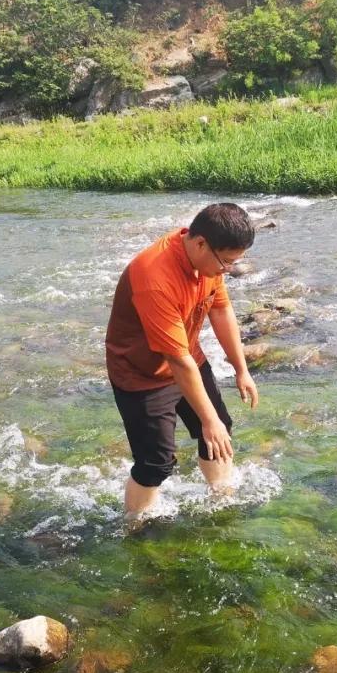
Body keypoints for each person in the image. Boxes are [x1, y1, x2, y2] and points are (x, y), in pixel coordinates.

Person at [105, 202, 259, 519]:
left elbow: (220, 310)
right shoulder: (155, 278)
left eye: (234, 263)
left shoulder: (207, 263)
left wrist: (241, 369)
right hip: (141, 374)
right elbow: (177, 362)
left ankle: (221, 500)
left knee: (221, 430)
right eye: (226, 262)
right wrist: (209, 421)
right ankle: (135, 528)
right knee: (155, 463)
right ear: (201, 243)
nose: (228, 270)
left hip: (186, 355)